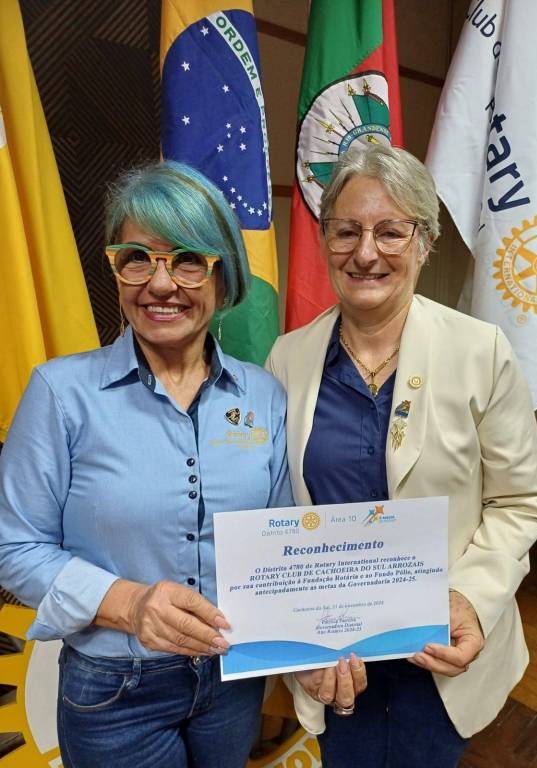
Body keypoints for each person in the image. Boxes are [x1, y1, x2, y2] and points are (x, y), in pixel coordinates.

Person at [0, 160, 293, 768]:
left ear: (223, 276)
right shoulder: (61, 393)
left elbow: (282, 542)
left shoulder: (265, 396)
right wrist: (130, 604)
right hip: (115, 690)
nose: (161, 285)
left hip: (234, 679)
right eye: (137, 258)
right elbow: (15, 548)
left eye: (187, 261)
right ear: (116, 271)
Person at [266, 144, 537, 768]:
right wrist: (295, 633)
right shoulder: (288, 358)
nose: (366, 253)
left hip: (440, 651)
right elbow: (277, 512)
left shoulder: (482, 352)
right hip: (335, 657)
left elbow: (521, 502)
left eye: (391, 231)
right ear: (324, 240)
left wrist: (470, 597)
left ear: (424, 243)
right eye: (346, 231)